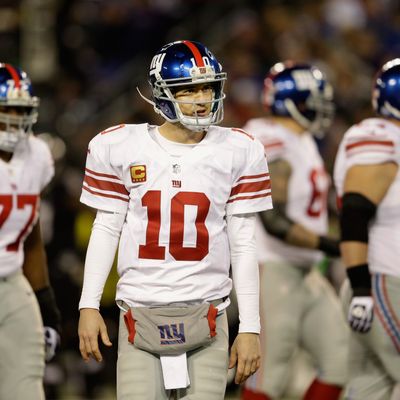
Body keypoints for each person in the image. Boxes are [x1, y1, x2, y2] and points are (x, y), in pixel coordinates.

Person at [77, 39, 273, 399]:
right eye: (189, 89)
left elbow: (243, 244)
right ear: (164, 93)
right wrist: (88, 304)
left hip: (208, 313)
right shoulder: (121, 147)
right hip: (139, 312)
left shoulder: (238, 150)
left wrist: (250, 327)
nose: (201, 98)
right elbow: (106, 228)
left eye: (207, 87)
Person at [241, 62, 349, 400]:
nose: (322, 106)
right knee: (268, 373)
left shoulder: (301, 141)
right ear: (295, 100)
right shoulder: (271, 137)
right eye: (316, 99)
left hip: (304, 269)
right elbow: (273, 220)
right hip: (271, 266)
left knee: (341, 360)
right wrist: (335, 245)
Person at [333, 58, 400, 400]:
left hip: (379, 282)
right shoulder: (380, 136)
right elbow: (356, 213)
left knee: (369, 388)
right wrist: (362, 289)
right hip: (381, 282)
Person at [0, 63, 61, 400]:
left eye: (20, 108)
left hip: (11, 280)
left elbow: (32, 234)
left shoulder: (36, 154)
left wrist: (44, 299)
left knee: (27, 384)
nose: (14, 117)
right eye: (5, 108)